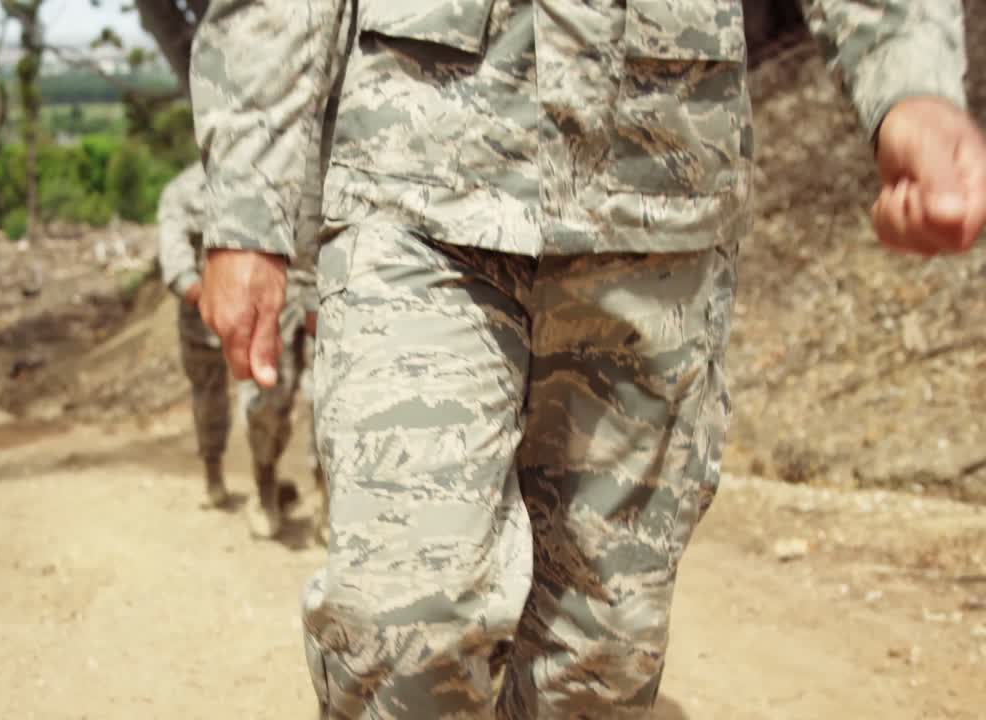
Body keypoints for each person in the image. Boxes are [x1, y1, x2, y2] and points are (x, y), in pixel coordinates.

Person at [190, 1, 986, 717]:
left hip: (658, 204)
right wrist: (247, 207)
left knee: (596, 665)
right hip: (418, 184)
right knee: (405, 623)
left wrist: (910, 83)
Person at [157, 161, 326, 541]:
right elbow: (176, 261)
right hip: (208, 314)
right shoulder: (183, 191)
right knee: (218, 397)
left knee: (316, 395)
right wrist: (213, 297)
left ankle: (325, 499)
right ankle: (235, 481)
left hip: (291, 302)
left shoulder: (287, 170)